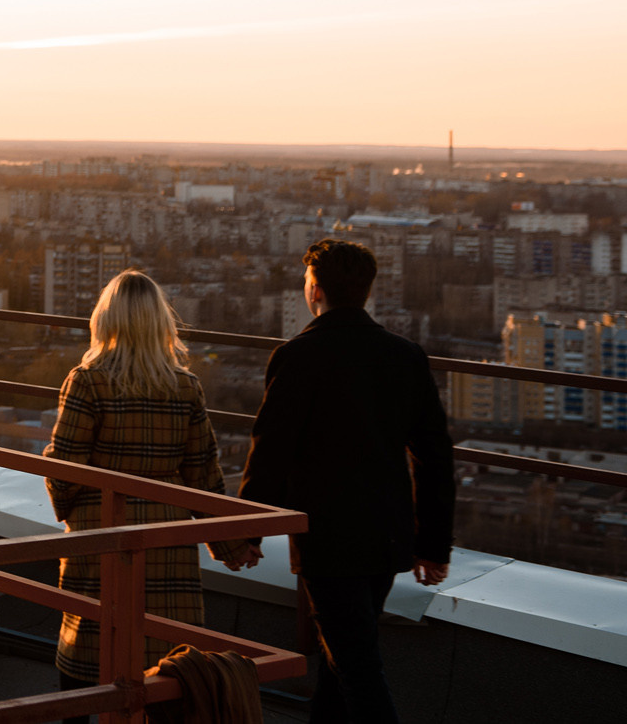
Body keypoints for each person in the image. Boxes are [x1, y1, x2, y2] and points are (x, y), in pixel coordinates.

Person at [233, 239, 454, 724]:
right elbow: (435, 456)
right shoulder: (406, 356)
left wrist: (247, 531)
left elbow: (270, 451)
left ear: (314, 289)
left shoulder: (298, 355)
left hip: (328, 538)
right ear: (366, 292)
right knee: (344, 660)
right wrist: (433, 543)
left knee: (356, 666)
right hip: (389, 536)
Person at [43, 269, 246, 723]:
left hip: (102, 530)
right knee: (165, 653)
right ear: (160, 322)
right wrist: (230, 544)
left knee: (87, 646)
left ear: (105, 318)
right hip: (166, 533)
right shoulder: (184, 385)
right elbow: (204, 474)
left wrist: (70, 511)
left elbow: (64, 465)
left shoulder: (88, 380)